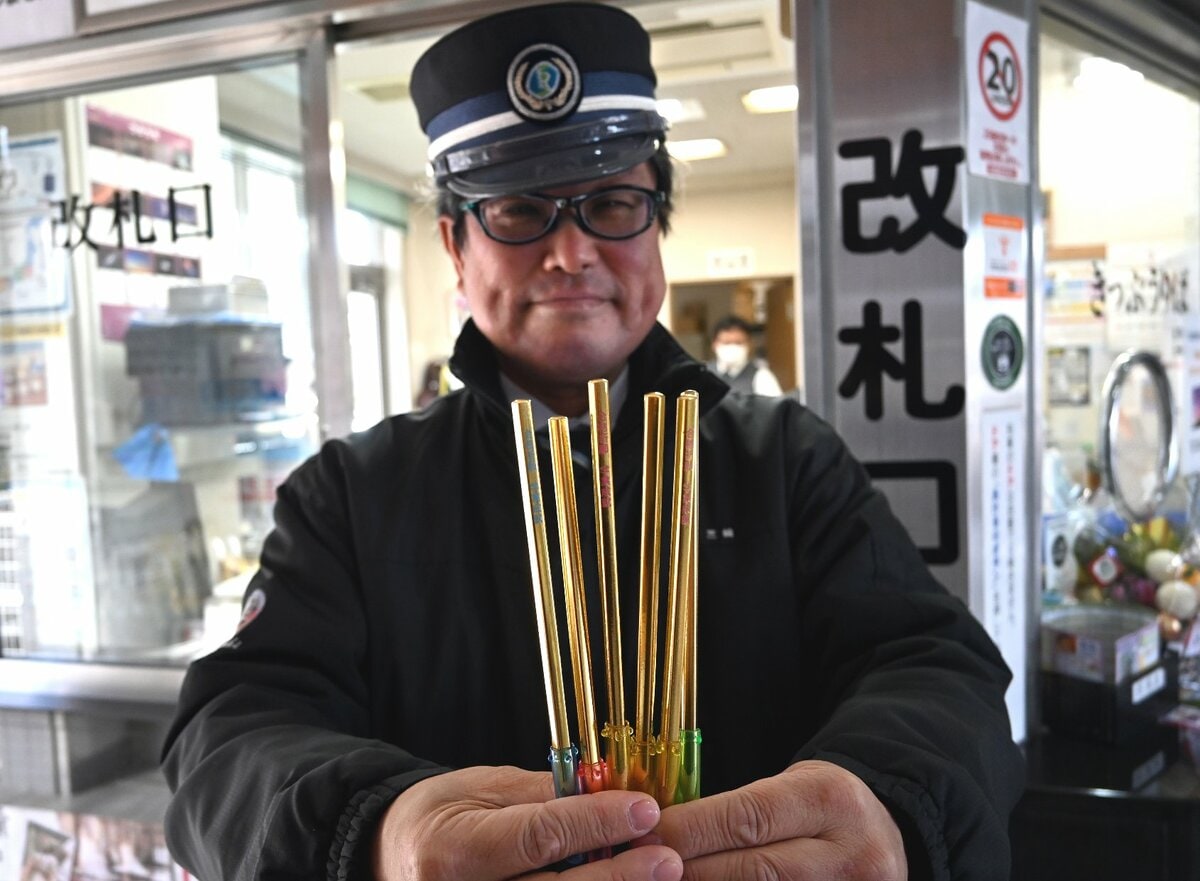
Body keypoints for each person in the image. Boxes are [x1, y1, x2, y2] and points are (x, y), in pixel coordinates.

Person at [161, 4, 1024, 881]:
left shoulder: (786, 460)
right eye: (519, 209)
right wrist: (374, 834)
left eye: (611, 202)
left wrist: (885, 800)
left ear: (656, 228)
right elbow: (226, 735)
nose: (571, 252)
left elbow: (936, 666)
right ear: (455, 247)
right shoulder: (351, 493)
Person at [706, 315, 783, 396]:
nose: (732, 347)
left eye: (738, 343)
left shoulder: (762, 376)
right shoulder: (703, 373)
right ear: (714, 344)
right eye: (726, 342)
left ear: (749, 344)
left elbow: (777, 407)